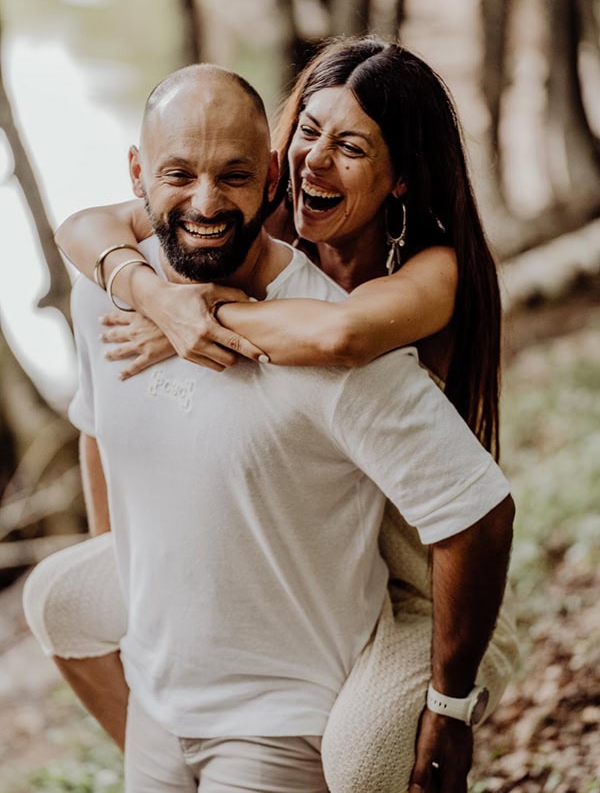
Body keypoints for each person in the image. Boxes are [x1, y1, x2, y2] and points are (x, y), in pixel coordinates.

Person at [24, 43, 517, 792]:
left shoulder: (423, 272)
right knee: (57, 599)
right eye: (309, 135)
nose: (318, 161)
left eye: (352, 147)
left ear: (402, 176)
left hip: (412, 561)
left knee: (361, 761)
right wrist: (150, 292)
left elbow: (340, 337)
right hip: (291, 533)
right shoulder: (237, 214)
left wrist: (202, 312)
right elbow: (85, 229)